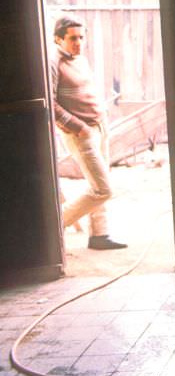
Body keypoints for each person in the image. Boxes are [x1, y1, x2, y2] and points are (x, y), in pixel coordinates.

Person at [50, 17, 127, 250]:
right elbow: (51, 105)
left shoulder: (80, 59)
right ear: (58, 39)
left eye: (81, 37)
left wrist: (101, 118)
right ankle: (51, 228)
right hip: (80, 133)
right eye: (73, 38)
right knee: (103, 189)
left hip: (99, 127)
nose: (79, 42)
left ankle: (99, 236)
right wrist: (79, 127)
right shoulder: (53, 62)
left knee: (99, 182)